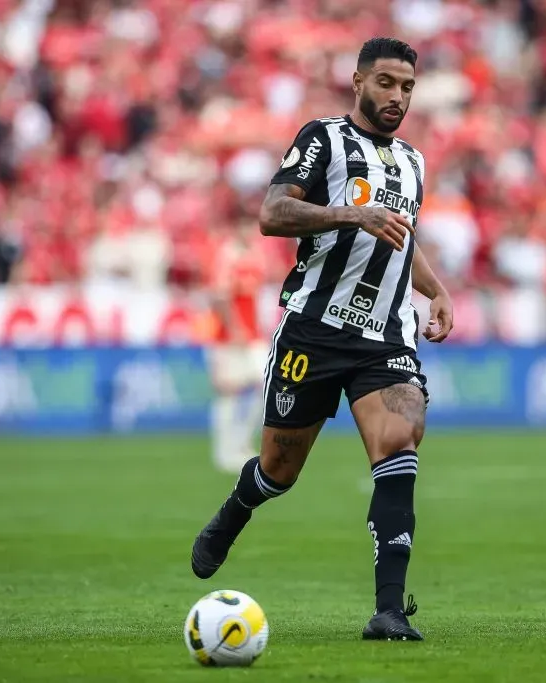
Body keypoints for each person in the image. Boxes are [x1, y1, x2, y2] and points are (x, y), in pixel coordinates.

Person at [190, 37, 454, 642]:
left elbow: (400, 239)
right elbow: (272, 214)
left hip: (386, 334)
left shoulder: (412, 162)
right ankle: (236, 510)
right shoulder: (322, 139)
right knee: (279, 469)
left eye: (407, 87)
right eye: (386, 83)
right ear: (358, 81)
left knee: (399, 436)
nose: (397, 97)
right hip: (313, 328)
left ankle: (389, 610)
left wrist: (435, 289)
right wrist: (349, 213)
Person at [205, 220, 270, 473]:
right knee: (229, 390)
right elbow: (218, 296)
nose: (250, 231)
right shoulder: (227, 255)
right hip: (230, 336)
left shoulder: (255, 254)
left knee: (266, 386)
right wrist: (233, 328)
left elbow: (256, 296)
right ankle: (223, 451)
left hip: (253, 334)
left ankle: (242, 442)